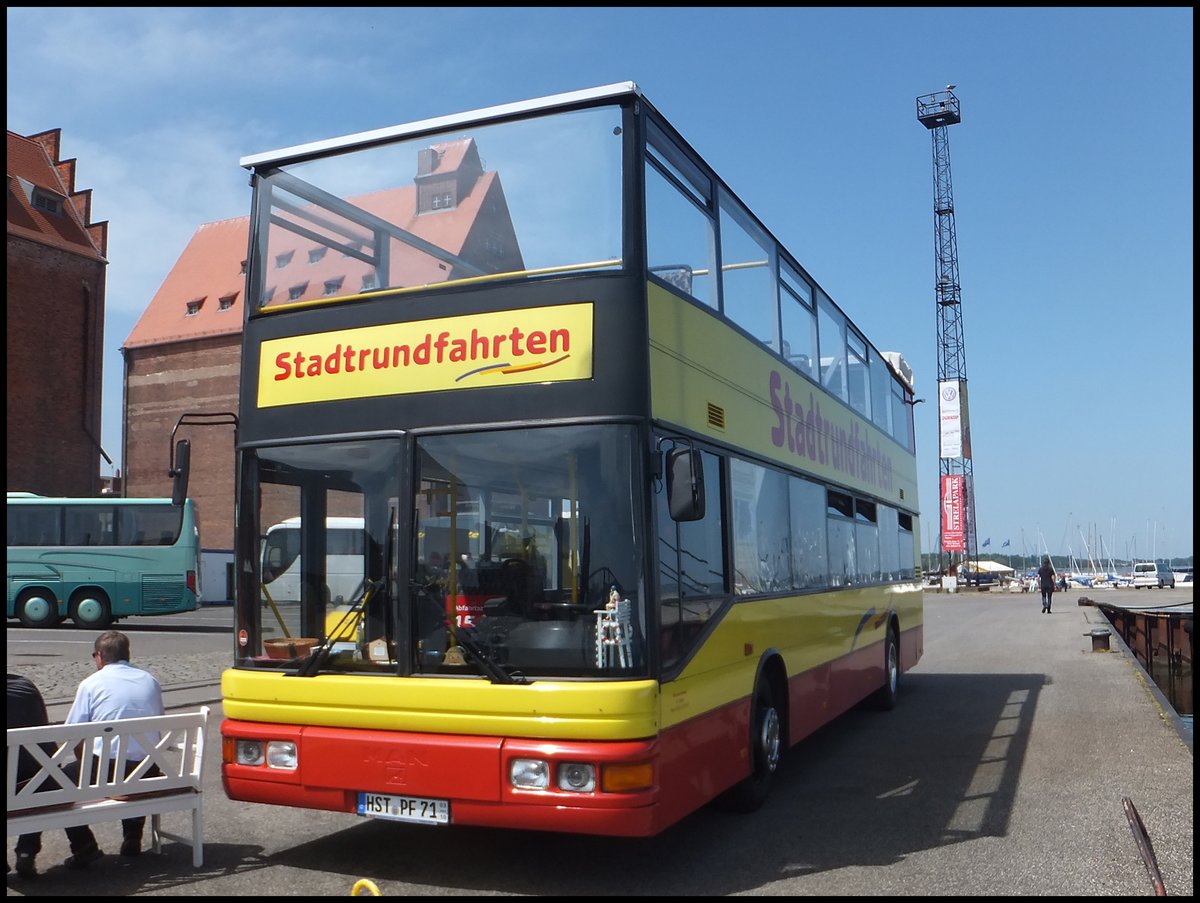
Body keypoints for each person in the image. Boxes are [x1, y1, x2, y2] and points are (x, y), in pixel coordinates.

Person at [60, 630, 166, 869]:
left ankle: (84, 846)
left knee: (59, 782)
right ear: (127, 654)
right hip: (147, 772)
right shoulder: (150, 680)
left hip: (105, 772)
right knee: (134, 761)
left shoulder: (90, 684)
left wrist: (84, 761)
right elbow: (158, 729)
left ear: (99, 656)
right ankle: (132, 835)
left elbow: (71, 736)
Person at [7, 673, 52, 879]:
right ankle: (27, 850)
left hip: (16, 785)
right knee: (42, 777)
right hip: (38, 780)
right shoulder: (26, 685)